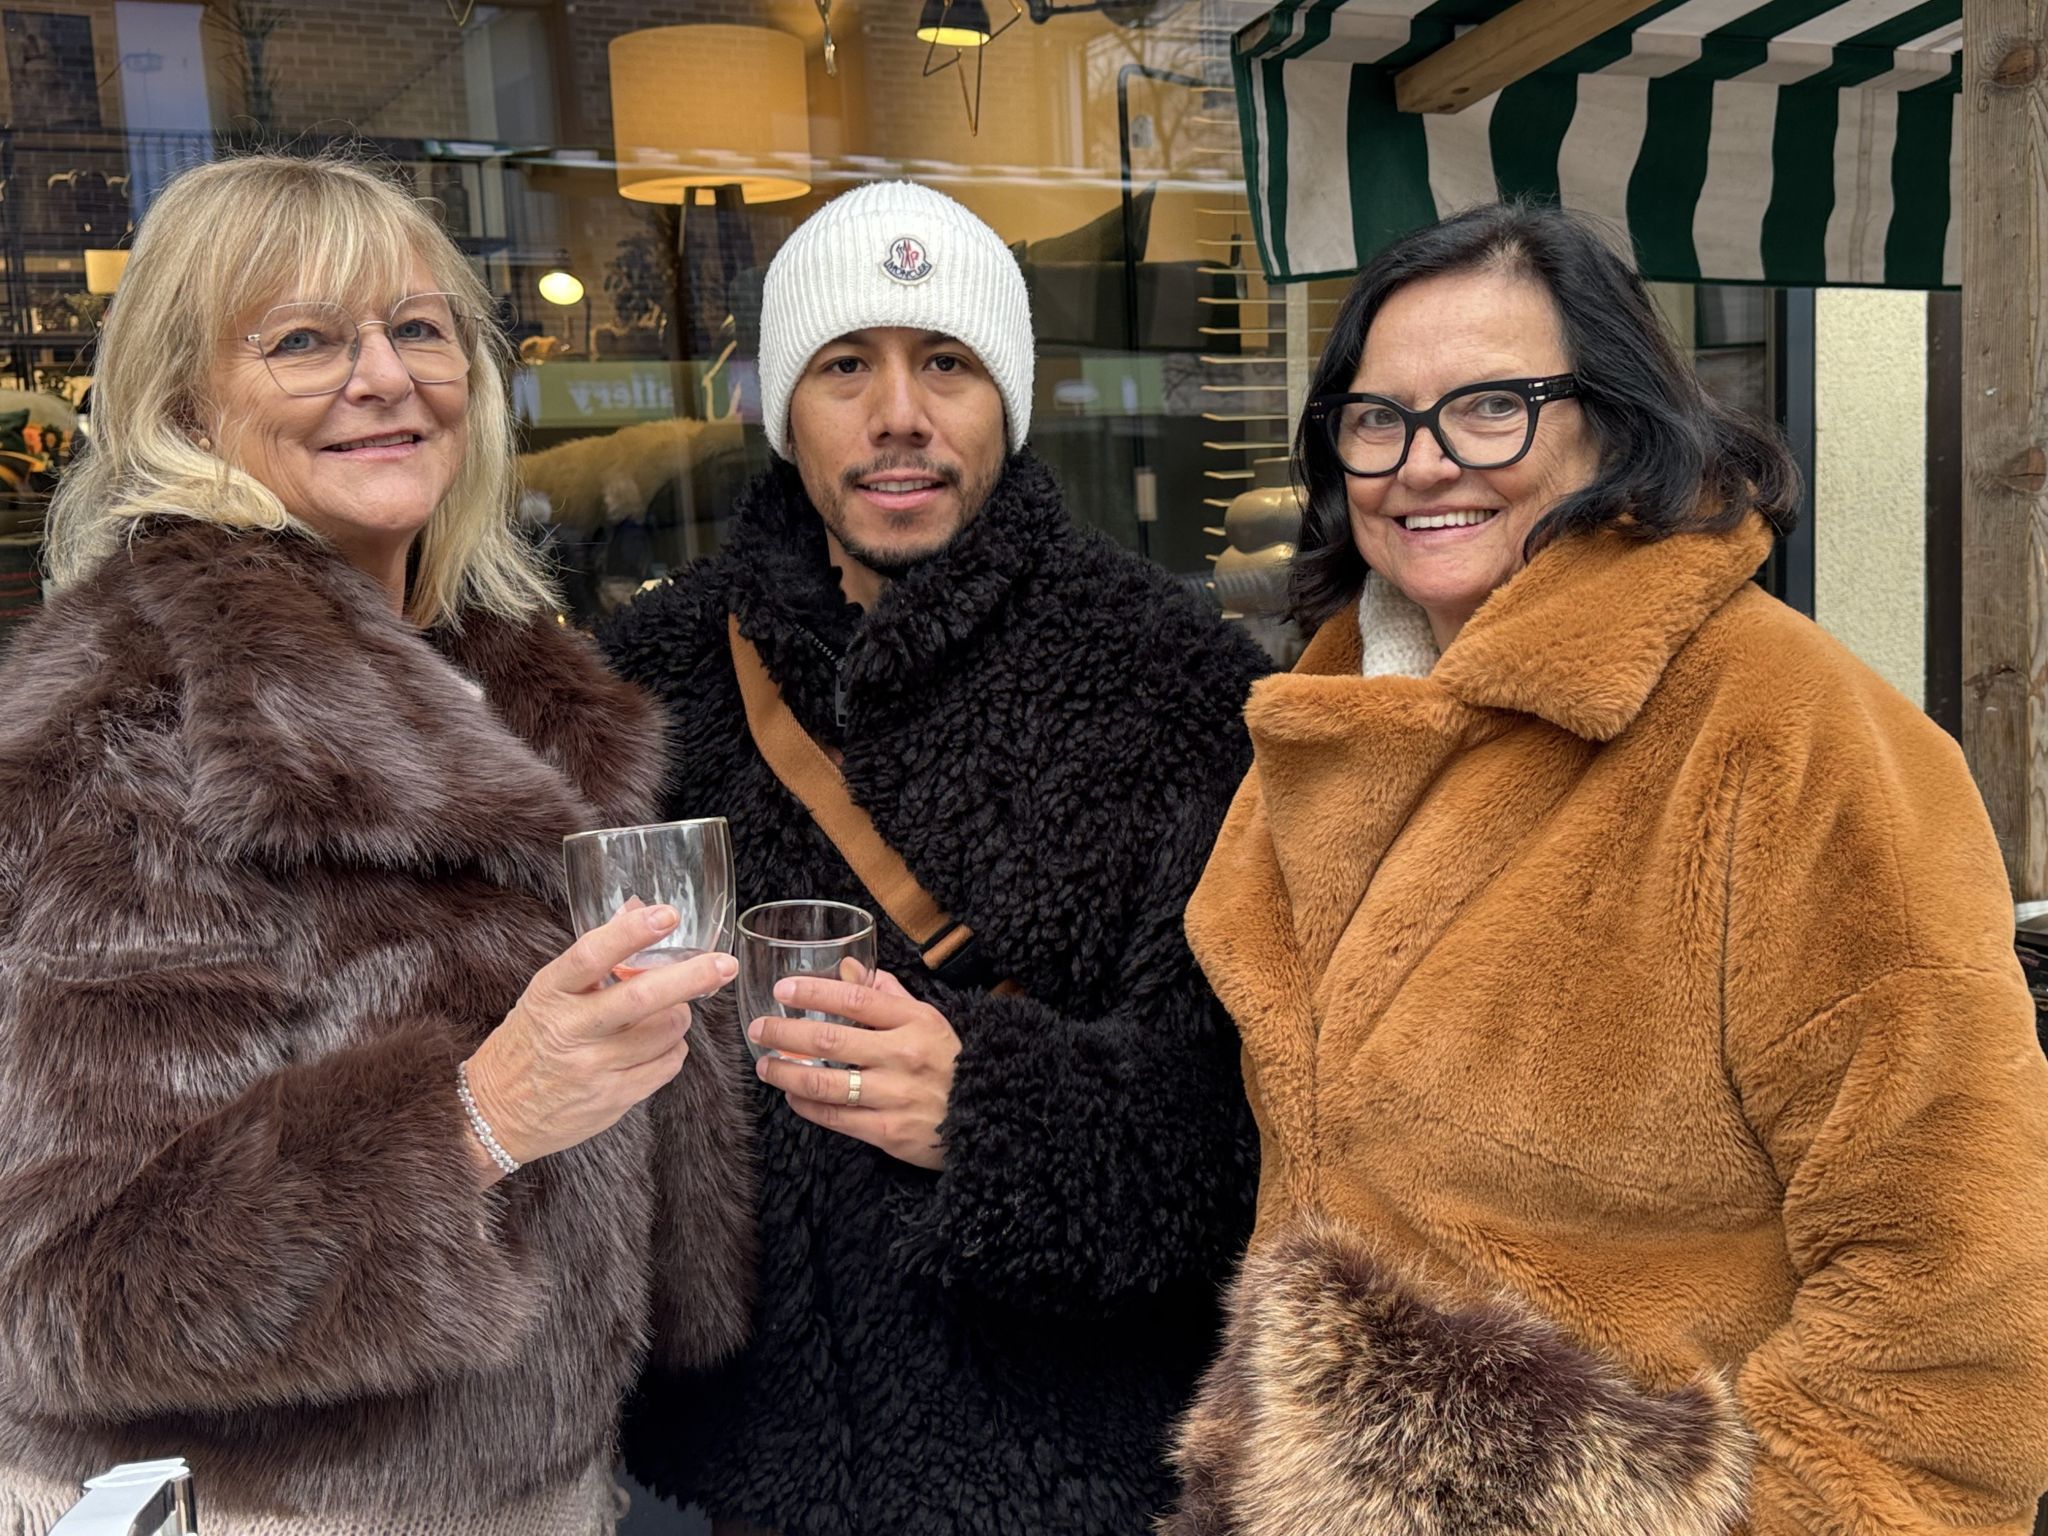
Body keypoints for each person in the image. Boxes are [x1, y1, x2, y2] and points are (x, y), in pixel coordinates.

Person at [1165, 201, 2048, 1536]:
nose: (1423, 463)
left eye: (1491, 407)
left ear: (1614, 423)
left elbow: (1959, 1273)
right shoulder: (1335, 726)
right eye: (1377, 418)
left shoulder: (1789, 732)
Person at [0, 154, 757, 1535]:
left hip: (544, 1496)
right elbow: (67, 1289)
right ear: (184, 402)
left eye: (418, 328)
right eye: (305, 341)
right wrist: (479, 1118)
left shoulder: (507, 684)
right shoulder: (132, 717)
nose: (386, 377)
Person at [602, 180, 1268, 1536]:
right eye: (846, 365)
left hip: (1071, 1477)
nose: (899, 414)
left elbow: (1255, 1137)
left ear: (1007, 402)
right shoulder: (643, 684)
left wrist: (994, 1116)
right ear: (784, 407)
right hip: (746, 1475)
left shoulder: (1177, 686)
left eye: (947, 362)